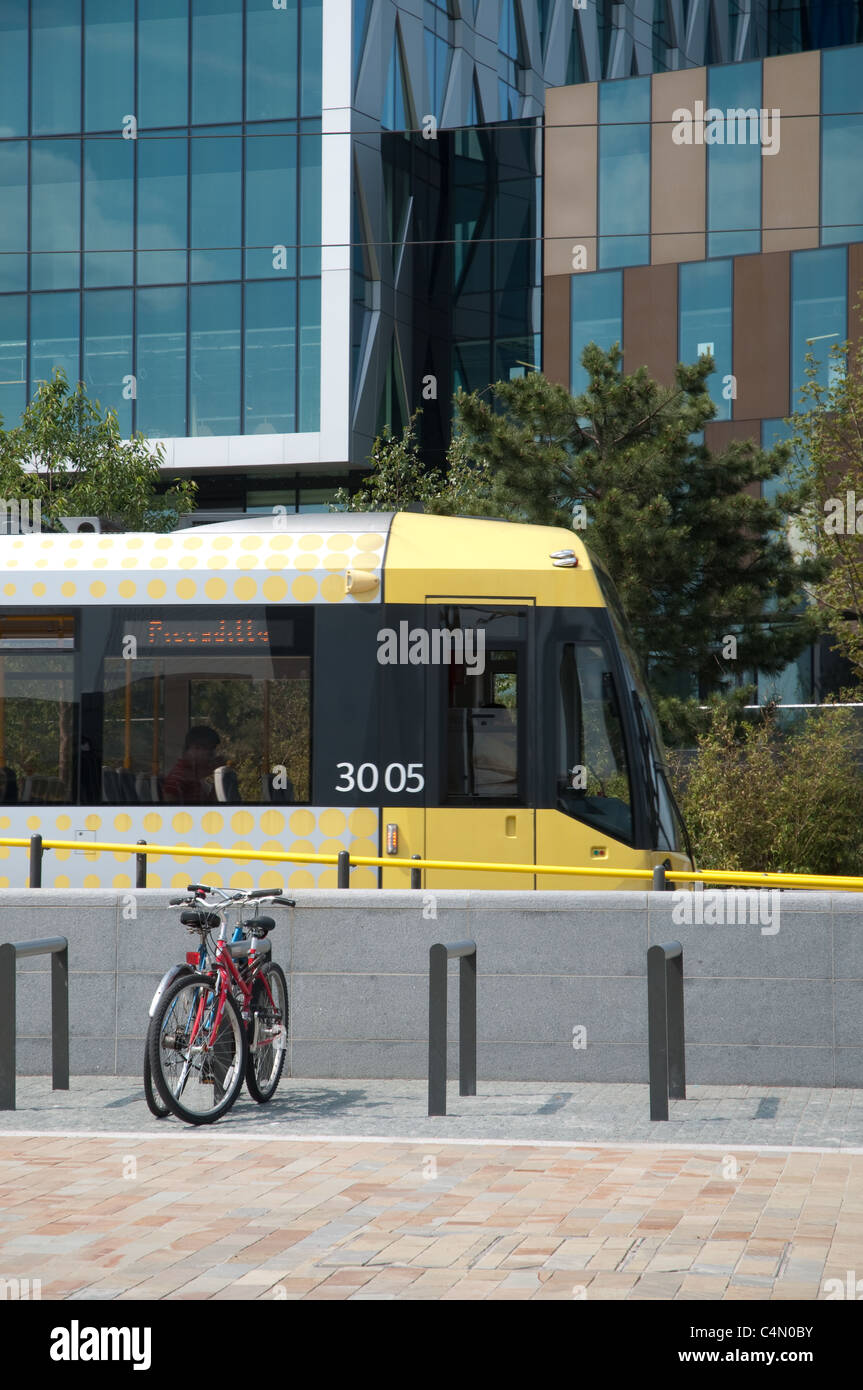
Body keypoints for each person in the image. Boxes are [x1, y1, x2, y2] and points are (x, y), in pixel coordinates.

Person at [163, 726, 221, 804]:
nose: (212, 756)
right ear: (195, 748)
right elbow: (169, 803)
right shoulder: (180, 775)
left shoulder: (196, 774)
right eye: (210, 752)